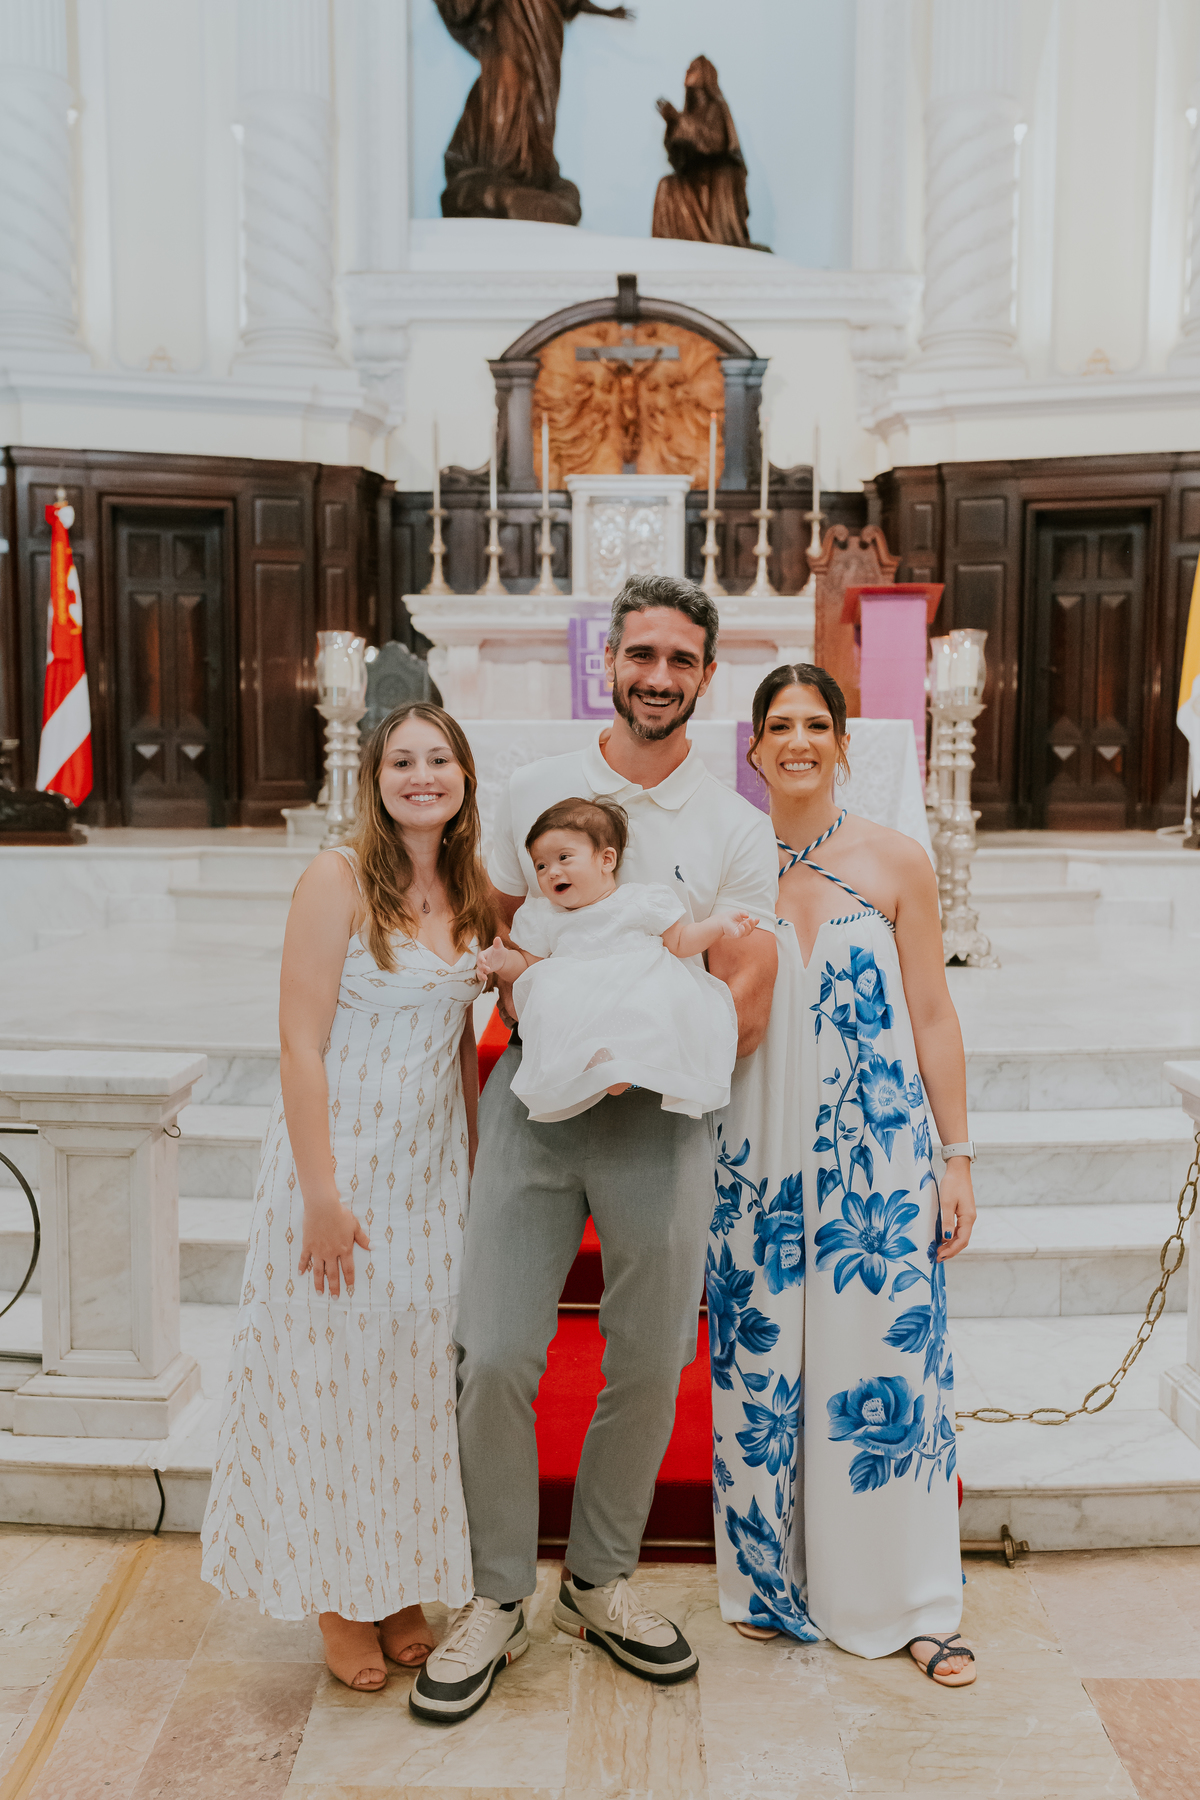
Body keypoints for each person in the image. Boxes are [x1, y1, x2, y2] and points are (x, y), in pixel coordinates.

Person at [410, 574, 779, 1723]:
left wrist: (682, 1067)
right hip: (536, 1106)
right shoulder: (537, 790)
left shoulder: (734, 827)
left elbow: (747, 977)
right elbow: (487, 924)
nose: (658, 676)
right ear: (606, 664)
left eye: (680, 659)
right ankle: (497, 1593)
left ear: (705, 675)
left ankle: (604, 1582)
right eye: (640, 655)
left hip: (661, 1120)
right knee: (499, 1350)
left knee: (646, 1355)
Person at [202, 703, 493, 1693]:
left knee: (413, 1381)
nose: (422, 776)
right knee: (336, 1379)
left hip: (429, 1174)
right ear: (373, 778)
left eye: (439, 760)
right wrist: (321, 1194)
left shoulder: (469, 891)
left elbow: (459, 1040)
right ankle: (337, 1594)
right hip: (342, 1165)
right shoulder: (335, 881)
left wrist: (480, 1158)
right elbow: (298, 1041)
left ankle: (402, 1582)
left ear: (463, 777)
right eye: (402, 761)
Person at [710, 664, 978, 1688]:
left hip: (878, 1162)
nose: (797, 740)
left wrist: (956, 1157)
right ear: (753, 747)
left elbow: (934, 1018)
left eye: (815, 723)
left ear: (843, 743)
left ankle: (908, 1602)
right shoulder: (728, 868)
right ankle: (772, 1581)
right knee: (762, 1369)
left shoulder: (897, 861)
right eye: (778, 724)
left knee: (885, 1371)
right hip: (753, 1157)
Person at [478, 794, 754, 1122]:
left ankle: (640, 1062)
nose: (551, 872)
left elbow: (681, 941)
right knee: (551, 999)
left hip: (634, 985)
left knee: (660, 1001)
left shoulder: (639, 900)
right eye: (541, 865)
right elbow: (528, 968)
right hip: (580, 999)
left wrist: (718, 925)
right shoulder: (546, 916)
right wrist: (501, 962)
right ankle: (594, 1064)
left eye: (564, 858)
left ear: (606, 859)